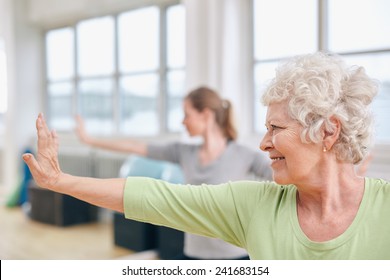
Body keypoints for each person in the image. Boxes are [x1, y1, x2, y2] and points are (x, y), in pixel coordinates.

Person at [23, 52, 390, 259]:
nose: (265, 142)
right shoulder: (253, 205)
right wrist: (61, 180)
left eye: (276, 129)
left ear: (328, 131)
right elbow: (155, 196)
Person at [74, 86, 273, 260]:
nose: (182, 121)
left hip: (235, 257)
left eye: (187, 114)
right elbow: (135, 146)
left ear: (205, 114)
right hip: (194, 254)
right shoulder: (183, 152)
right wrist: (89, 140)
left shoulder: (245, 155)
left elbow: (284, 181)